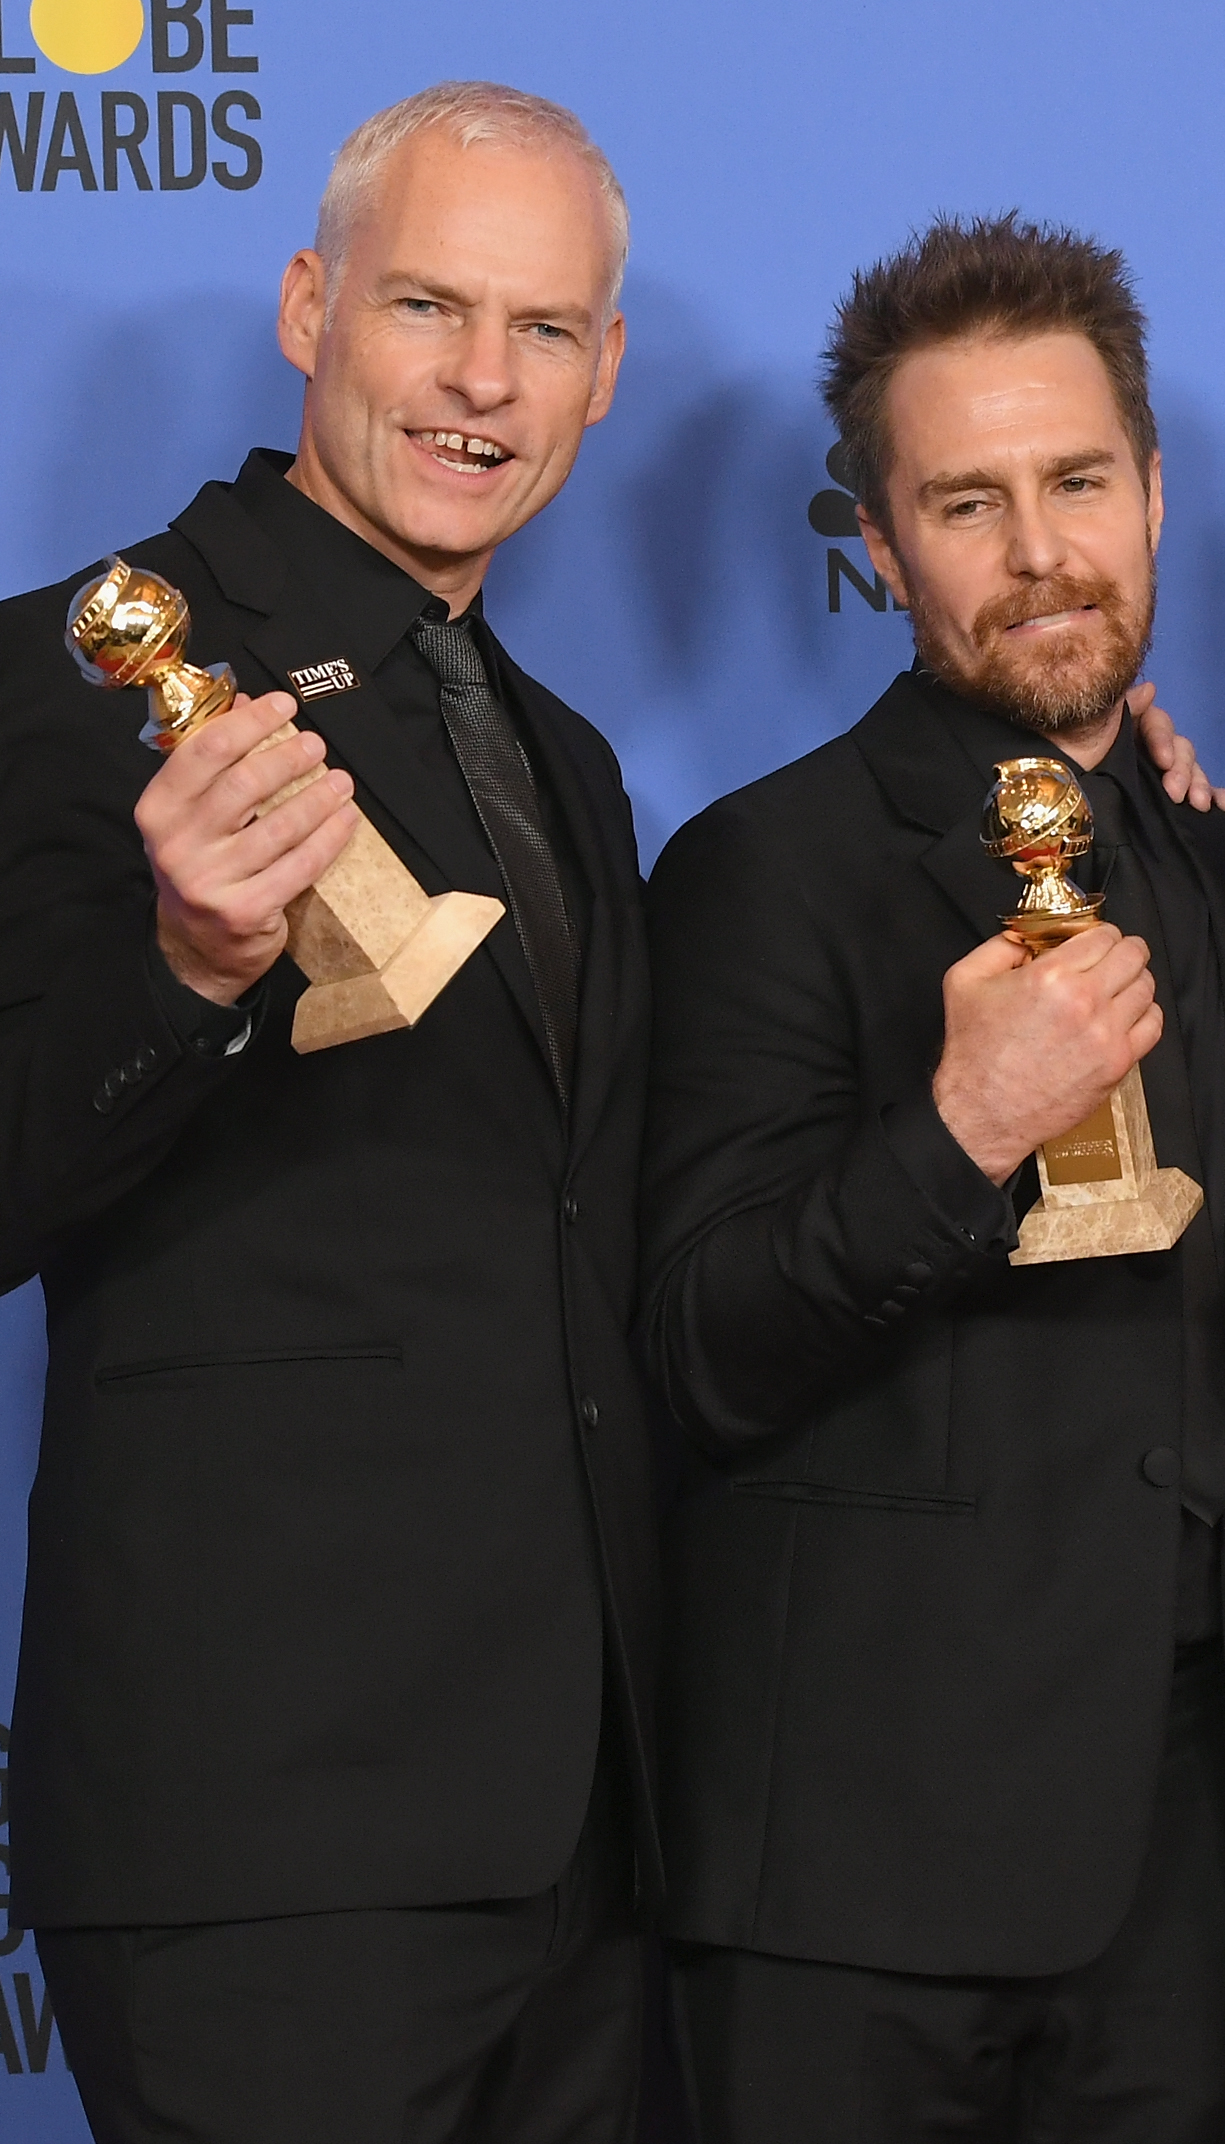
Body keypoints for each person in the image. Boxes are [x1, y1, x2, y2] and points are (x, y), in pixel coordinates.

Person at [0, 83, 663, 2141]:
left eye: (544, 330)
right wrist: (187, 973)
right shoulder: (66, 682)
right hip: (259, 1842)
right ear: (309, 308)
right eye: (427, 307)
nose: (484, 380)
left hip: (581, 1855)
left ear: (605, 373)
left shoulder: (563, 759)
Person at [638, 215, 1225, 2144]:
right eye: (966, 502)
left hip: (1190, 1859)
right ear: (883, 548)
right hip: (859, 1875)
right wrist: (962, 1134)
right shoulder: (770, 871)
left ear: (1154, 492)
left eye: (1077, 481)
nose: (1039, 550)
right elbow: (701, 1347)